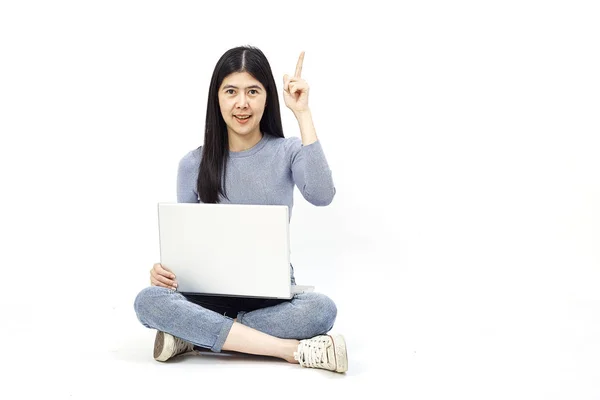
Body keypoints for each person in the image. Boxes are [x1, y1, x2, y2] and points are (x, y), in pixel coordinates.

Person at [133, 46, 348, 373]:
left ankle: (194, 335)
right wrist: (164, 273)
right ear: (216, 98)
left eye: (253, 91)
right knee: (148, 300)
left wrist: (303, 114)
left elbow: (322, 194)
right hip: (207, 292)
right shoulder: (193, 163)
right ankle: (286, 350)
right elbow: (184, 246)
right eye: (231, 91)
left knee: (321, 311)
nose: (242, 103)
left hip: (270, 295)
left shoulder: (287, 151)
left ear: (267, 98)